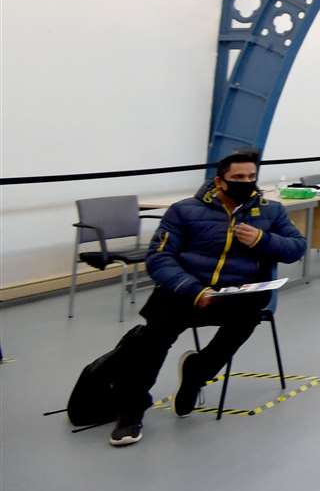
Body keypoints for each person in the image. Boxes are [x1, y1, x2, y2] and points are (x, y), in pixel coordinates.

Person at [106, 150, 307, 447]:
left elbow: (296, 248)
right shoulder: (184, 211)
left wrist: (263, 240)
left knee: (247, 319)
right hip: (184, 292)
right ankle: (132, 410)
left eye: (251, 177)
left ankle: (196, 373)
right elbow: (159, 258)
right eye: (238, 177)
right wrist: (192, 289)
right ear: (220, 180)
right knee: (151, 341)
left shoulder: (270, 212)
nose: (246, 182)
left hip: (236, 295)